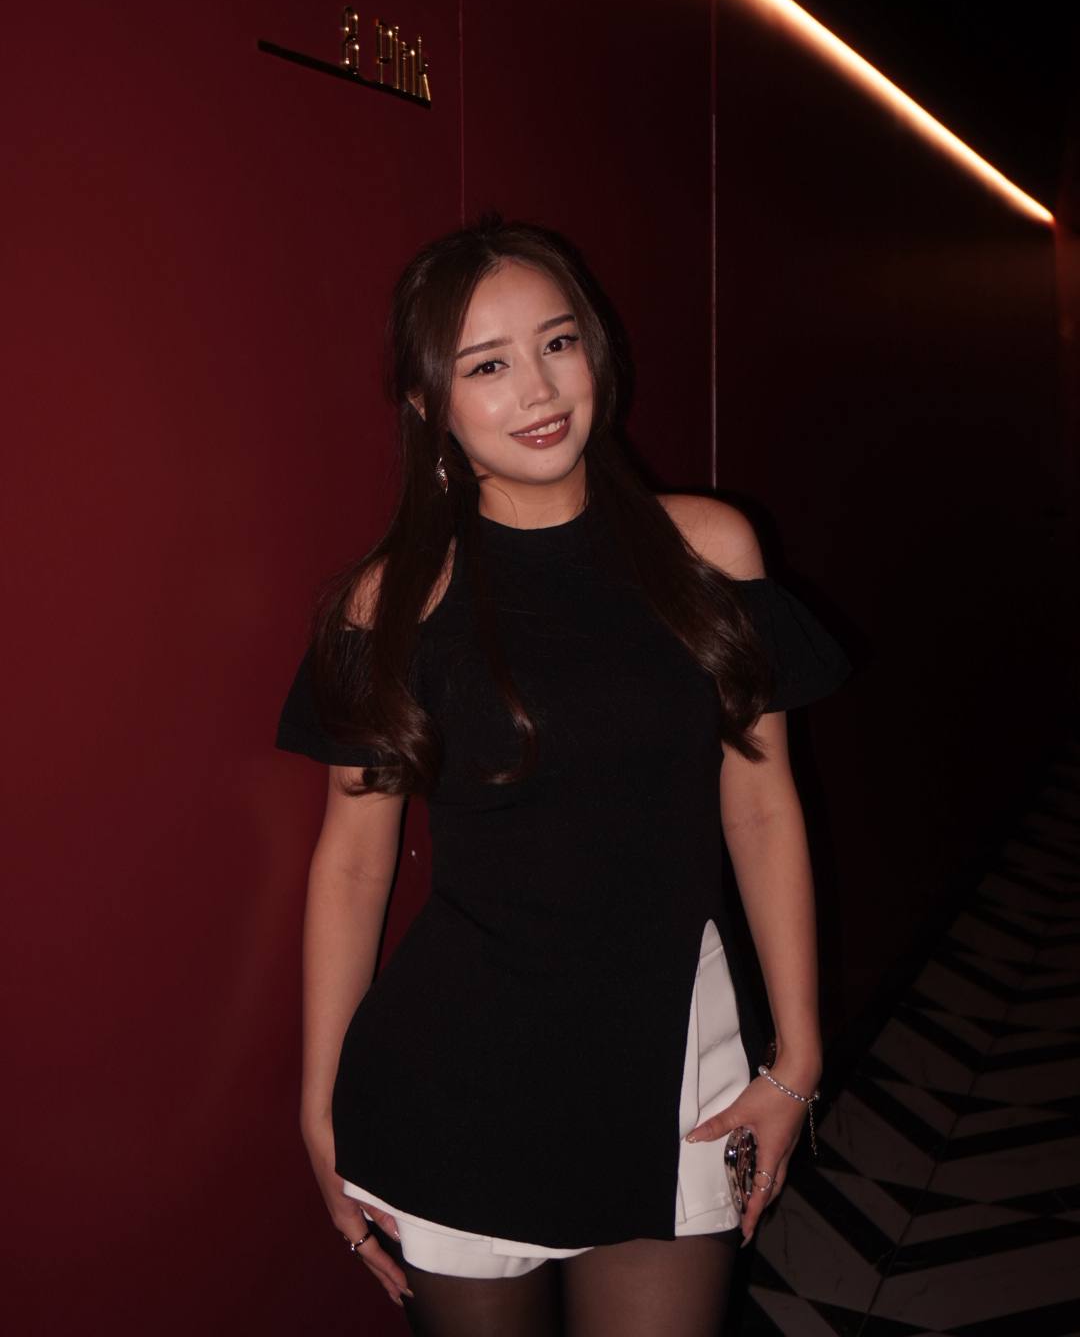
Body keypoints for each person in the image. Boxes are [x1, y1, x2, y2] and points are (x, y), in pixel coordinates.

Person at [274, 215, 851, 1336]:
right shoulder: (388, 604)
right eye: (486, 365)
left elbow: (761, 806)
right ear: (430, 401)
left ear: (597, 350)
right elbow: (352, 865)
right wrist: (318, 1104)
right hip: (455, 1078)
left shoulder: (708, 550)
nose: (537, 389)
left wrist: (798, 1053)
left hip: (673, 1069)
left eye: (557, 342)